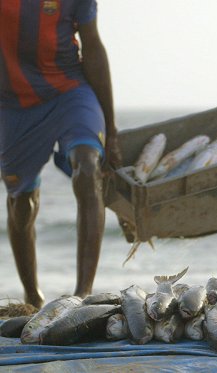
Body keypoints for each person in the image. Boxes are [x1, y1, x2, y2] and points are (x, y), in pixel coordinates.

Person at [0, 0, 120, 308]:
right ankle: (32, 297)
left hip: (70, 91)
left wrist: (112, 129)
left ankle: (82, 294)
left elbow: (92, 48)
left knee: (89, 167)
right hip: (14, 106)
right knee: (21, 203)